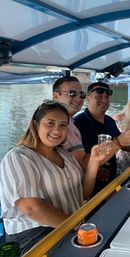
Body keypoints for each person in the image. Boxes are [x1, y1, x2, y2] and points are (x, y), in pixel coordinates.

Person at [0, 101, 105, 255]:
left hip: (68, 224)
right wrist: (76, 226)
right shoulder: (18, 157)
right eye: (50, 123)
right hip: (35, 234)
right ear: (36, 125)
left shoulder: (64, 154)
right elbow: (31, 208)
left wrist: (94, 162)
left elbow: (82, 194)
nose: (57, 130)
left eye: (63, 125)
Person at [52, 76, 130, 172]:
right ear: (56, 96)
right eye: (72, 93)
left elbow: (125, 145)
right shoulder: (76, 124)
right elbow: (83, 164)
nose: (78, 98)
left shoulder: (109, 121)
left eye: (81, 94)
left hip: (107, 182)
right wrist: (118, 142)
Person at [73, 82, 130, 195]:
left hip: (110, 184)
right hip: (88, 190)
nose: (104, 100)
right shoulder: (78, 123)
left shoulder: (109, 121)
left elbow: (125, 146)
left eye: (107, 97)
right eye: (99, 96)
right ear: (88, 98)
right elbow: (73, 160)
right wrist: (95, 168)